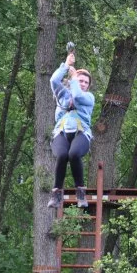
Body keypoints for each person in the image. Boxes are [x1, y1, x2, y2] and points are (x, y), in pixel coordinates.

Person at [48, 50, 95, 209]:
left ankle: (80, 192)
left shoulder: (89, 98)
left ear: (88, 87)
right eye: (80, 80)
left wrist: (74, 80)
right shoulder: (62, 94)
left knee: (73, 154)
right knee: (62, 155)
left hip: (81, 133)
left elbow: (78, 96)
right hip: (61, 132)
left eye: (85, 82)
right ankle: (56, 194)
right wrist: (66, 64)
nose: (82, 83)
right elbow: (54, 80)